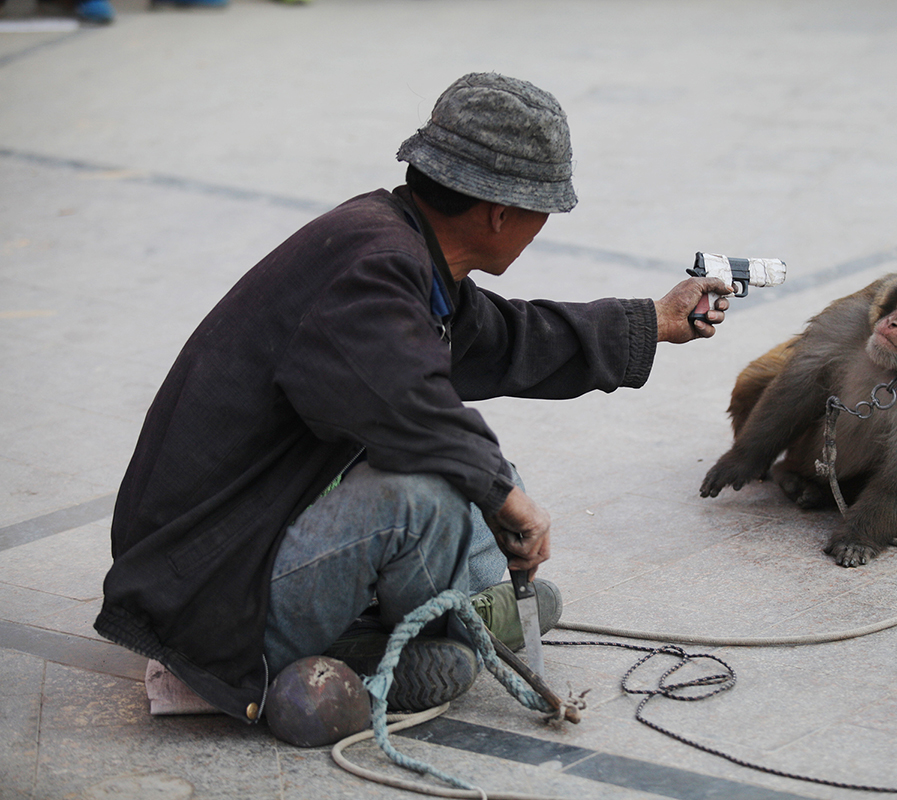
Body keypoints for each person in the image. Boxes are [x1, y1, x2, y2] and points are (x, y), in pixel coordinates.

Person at [94, 72, 731, 726]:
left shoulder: (394, 246)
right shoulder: (372, 271)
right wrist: (508, 501)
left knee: (482, 475)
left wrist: (652, 320)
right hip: (211, 598)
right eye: (543, 211)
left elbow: (504, 340)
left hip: (241, 543)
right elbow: (415, 412)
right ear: (500, 213)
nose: (543, 227)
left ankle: (439, 619)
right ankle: (289, 668)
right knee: (436, 492)